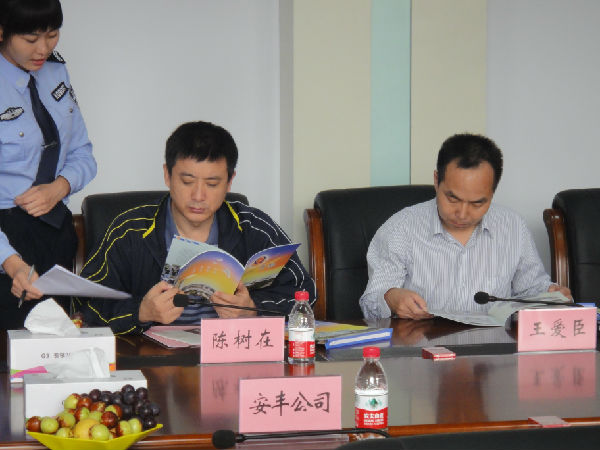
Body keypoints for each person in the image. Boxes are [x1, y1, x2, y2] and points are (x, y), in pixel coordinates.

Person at [78, 121, 315, 334]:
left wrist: (253, 308)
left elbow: (304, 293)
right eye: (187, 181)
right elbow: (85, 305)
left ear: (229, 182)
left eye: (212, 184)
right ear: (167, 175)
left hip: (231, 356)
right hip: (152, 360)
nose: (198, 196)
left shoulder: (253, 228)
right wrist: (141, 312)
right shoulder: (130, 232)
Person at [360, 133, 570, 320]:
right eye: (452, 198)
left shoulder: (513, 227)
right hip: (421, 346)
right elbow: (371, 304)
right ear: (436, 181)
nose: (462, 213)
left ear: (492, 193)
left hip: (495, 347)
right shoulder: (401, 229)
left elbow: (531, 289)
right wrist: (390, 297)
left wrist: (551, 294)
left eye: (477, 203)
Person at [0, 0, 97, 328]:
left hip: (56, 231)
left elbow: (83, 154)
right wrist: (11, 262)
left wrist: (59, 187)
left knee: (57, 346)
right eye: (31, 39)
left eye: (52, 34)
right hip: (6, 237)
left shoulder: (56, 71)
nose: (43, 49)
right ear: (2, 31)